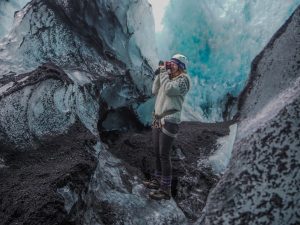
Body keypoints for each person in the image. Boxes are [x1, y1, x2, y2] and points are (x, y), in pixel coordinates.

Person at [143, 54, 191, 200]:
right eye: (171, 63)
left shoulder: (184, 80)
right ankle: (157, 181)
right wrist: (160, 73)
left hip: (171, 120)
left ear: (181, 66)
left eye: (175, 63)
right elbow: (154, 90)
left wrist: (164, 72)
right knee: (157, 152)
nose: (171, 65)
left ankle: (166, 190)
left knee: (164, 154)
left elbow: (170, 90)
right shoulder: (168, 78)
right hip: (158, 119)